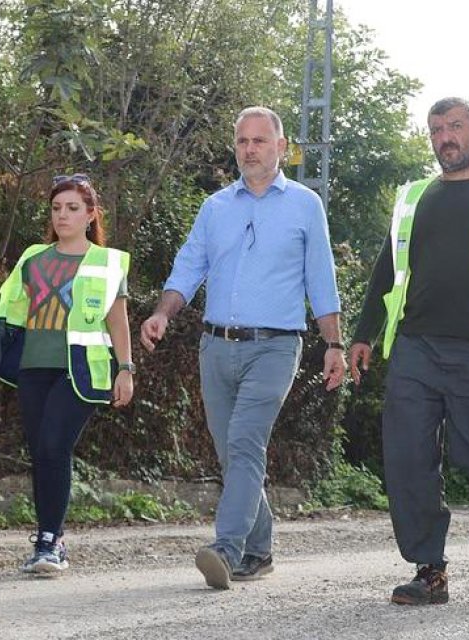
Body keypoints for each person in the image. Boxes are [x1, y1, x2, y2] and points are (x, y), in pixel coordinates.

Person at [140, 106, 345, 590]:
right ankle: (260, 548)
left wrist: (333, 342)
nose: (249, 150)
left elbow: (321, 276)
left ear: (280, 147)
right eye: (242, 142)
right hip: (216, 346)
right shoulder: (215, 207)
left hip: (275, 347)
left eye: (259, 141)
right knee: (232, 454)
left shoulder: (304, 205)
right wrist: (162, 314)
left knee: (245, 443)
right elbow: (189, 265)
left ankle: (226, 549)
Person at [347, 97, 469, 605]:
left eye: (455, 127)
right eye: (436, 130)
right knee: (408, 459)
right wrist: (364, 334)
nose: (446, 137)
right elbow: (386, 270)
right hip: (416, 347)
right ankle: (431, 571)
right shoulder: (413, 198)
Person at [0, 174, 135, 575]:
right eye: (57, 208)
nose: (62, 215)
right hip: (33, 368)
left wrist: (126, 369)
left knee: (52, 445)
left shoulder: (107, 261)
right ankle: (49, 537)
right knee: (41, 452)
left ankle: (50, 542)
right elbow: (7, 313)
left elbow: (118, 320)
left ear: (90, 214)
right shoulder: (33, 258)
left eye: (73, 208)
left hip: (81, 370)